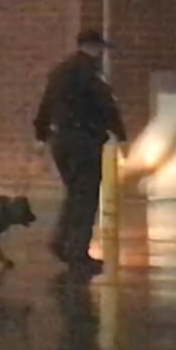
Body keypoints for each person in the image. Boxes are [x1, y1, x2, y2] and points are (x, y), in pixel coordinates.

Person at [33, 29, 128, 272]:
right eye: (100, 49)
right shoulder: (91, 73)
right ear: (94, 47)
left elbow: (45, 106)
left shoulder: (58, 72)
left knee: (74, 193)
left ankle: (59, 241)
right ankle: (78, 253)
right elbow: (106, 105)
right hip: (84, 140)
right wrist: (121, 136)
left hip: (61, 140)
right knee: (85, 196)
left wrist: (41, 137)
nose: (101, 53)